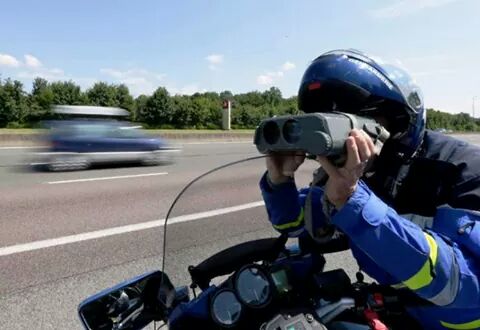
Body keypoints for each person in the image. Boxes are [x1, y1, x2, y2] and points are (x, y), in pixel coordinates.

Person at [260, 49, 480, 329]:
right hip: (405, 312)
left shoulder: (463, 169)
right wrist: (280, 183)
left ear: (397, 123)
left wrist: (355, 202)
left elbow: (467, 286)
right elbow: (298, 225)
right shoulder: (358, 174)